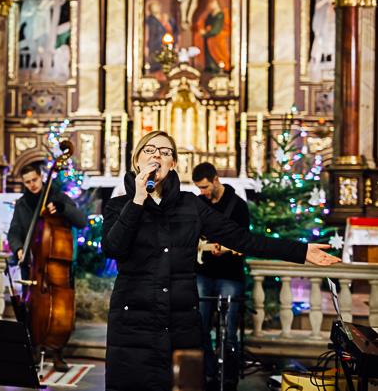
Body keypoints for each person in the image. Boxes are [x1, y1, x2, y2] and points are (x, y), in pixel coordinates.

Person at [101, 131, 341, 391]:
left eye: (165, 152)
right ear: (137, 159)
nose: (157, 155)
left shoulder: (190, 206)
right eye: (149, 150)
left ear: (173, 164)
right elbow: (113, 248)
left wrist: (300, 251)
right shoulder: (118, 206)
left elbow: (241, 238)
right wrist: (138, 200)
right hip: (133, 323)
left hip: (179, 323)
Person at [7, 163, 87, 371]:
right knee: (30, 308)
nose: (32, 184)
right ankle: (34, 348)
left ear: (41, 176)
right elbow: (14, 232)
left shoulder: (57, 197)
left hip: (55, 268)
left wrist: (63, 209)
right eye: (27, 182)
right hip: (32, 264)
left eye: (34, 180)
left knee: (60, 311)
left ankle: (57, 352)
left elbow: (81, 221)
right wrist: (18, 249)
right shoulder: (22, 204)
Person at [192, 162, 248, 390]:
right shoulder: (199, 203)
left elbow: (245, 240)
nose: (202, 192)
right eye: (199, 188)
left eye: (205, 187)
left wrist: (226, 248)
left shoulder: (238, 205)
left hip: (229, 274)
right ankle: (207, 376)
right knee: (200, 329)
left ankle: (229, 379)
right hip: (203, 272)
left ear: (216, 179)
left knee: (229, 331)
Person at [197, 0, 231, 73]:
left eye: (213, 3)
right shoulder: (210, 15)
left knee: (218, 57)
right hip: (209, 40)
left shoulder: (220, 15)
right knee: (209, 59)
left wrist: (206, 32)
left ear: (218, 4)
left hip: (216, 40)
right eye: (211, 3)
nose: (211, 5)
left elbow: (217, 29)